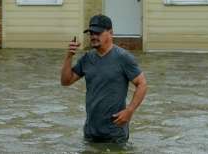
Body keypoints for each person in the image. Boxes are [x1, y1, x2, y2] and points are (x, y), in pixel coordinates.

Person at [60, 14, 147, 144]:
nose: (94, 36)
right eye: (91, 33)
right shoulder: (87, 58)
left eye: (98, 33)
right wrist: (69, 56)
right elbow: (66, 81)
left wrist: (129, 111)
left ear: (110, 33)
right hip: (91, 132)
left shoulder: (123, 58)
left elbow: (142, 84)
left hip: (115, 133)